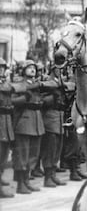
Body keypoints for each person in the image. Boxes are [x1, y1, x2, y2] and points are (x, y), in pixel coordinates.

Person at [12, 60, 45, 194]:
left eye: (34, 68)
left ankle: (27, 181)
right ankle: (21, 184)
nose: (32, 70)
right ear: (23, 70)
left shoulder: (37, 85)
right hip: (24, 121)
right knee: (22, 154)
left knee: (33, 154)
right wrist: (24, 98)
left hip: (37, 121)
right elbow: (12, 100)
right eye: (29, 68)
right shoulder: (20, 85)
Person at [0, 58, 26, 198]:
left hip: (6, 122)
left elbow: (21, 88)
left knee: (4, 154)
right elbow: (11, 88)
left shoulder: (6, 83)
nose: (1, 70)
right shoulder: (5, 85)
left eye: (2, 68)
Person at [40, 65, 67, 187]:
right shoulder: (47, 81)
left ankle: (53, 175)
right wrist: (53, 98)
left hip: (60, 117)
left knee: (57, 148)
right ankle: (47, 177)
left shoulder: (61, 81)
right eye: (57, 68)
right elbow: (41, 99)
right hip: (50, 117)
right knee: (50, 148)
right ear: (52, 70)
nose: (59, 71)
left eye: (61, 69)